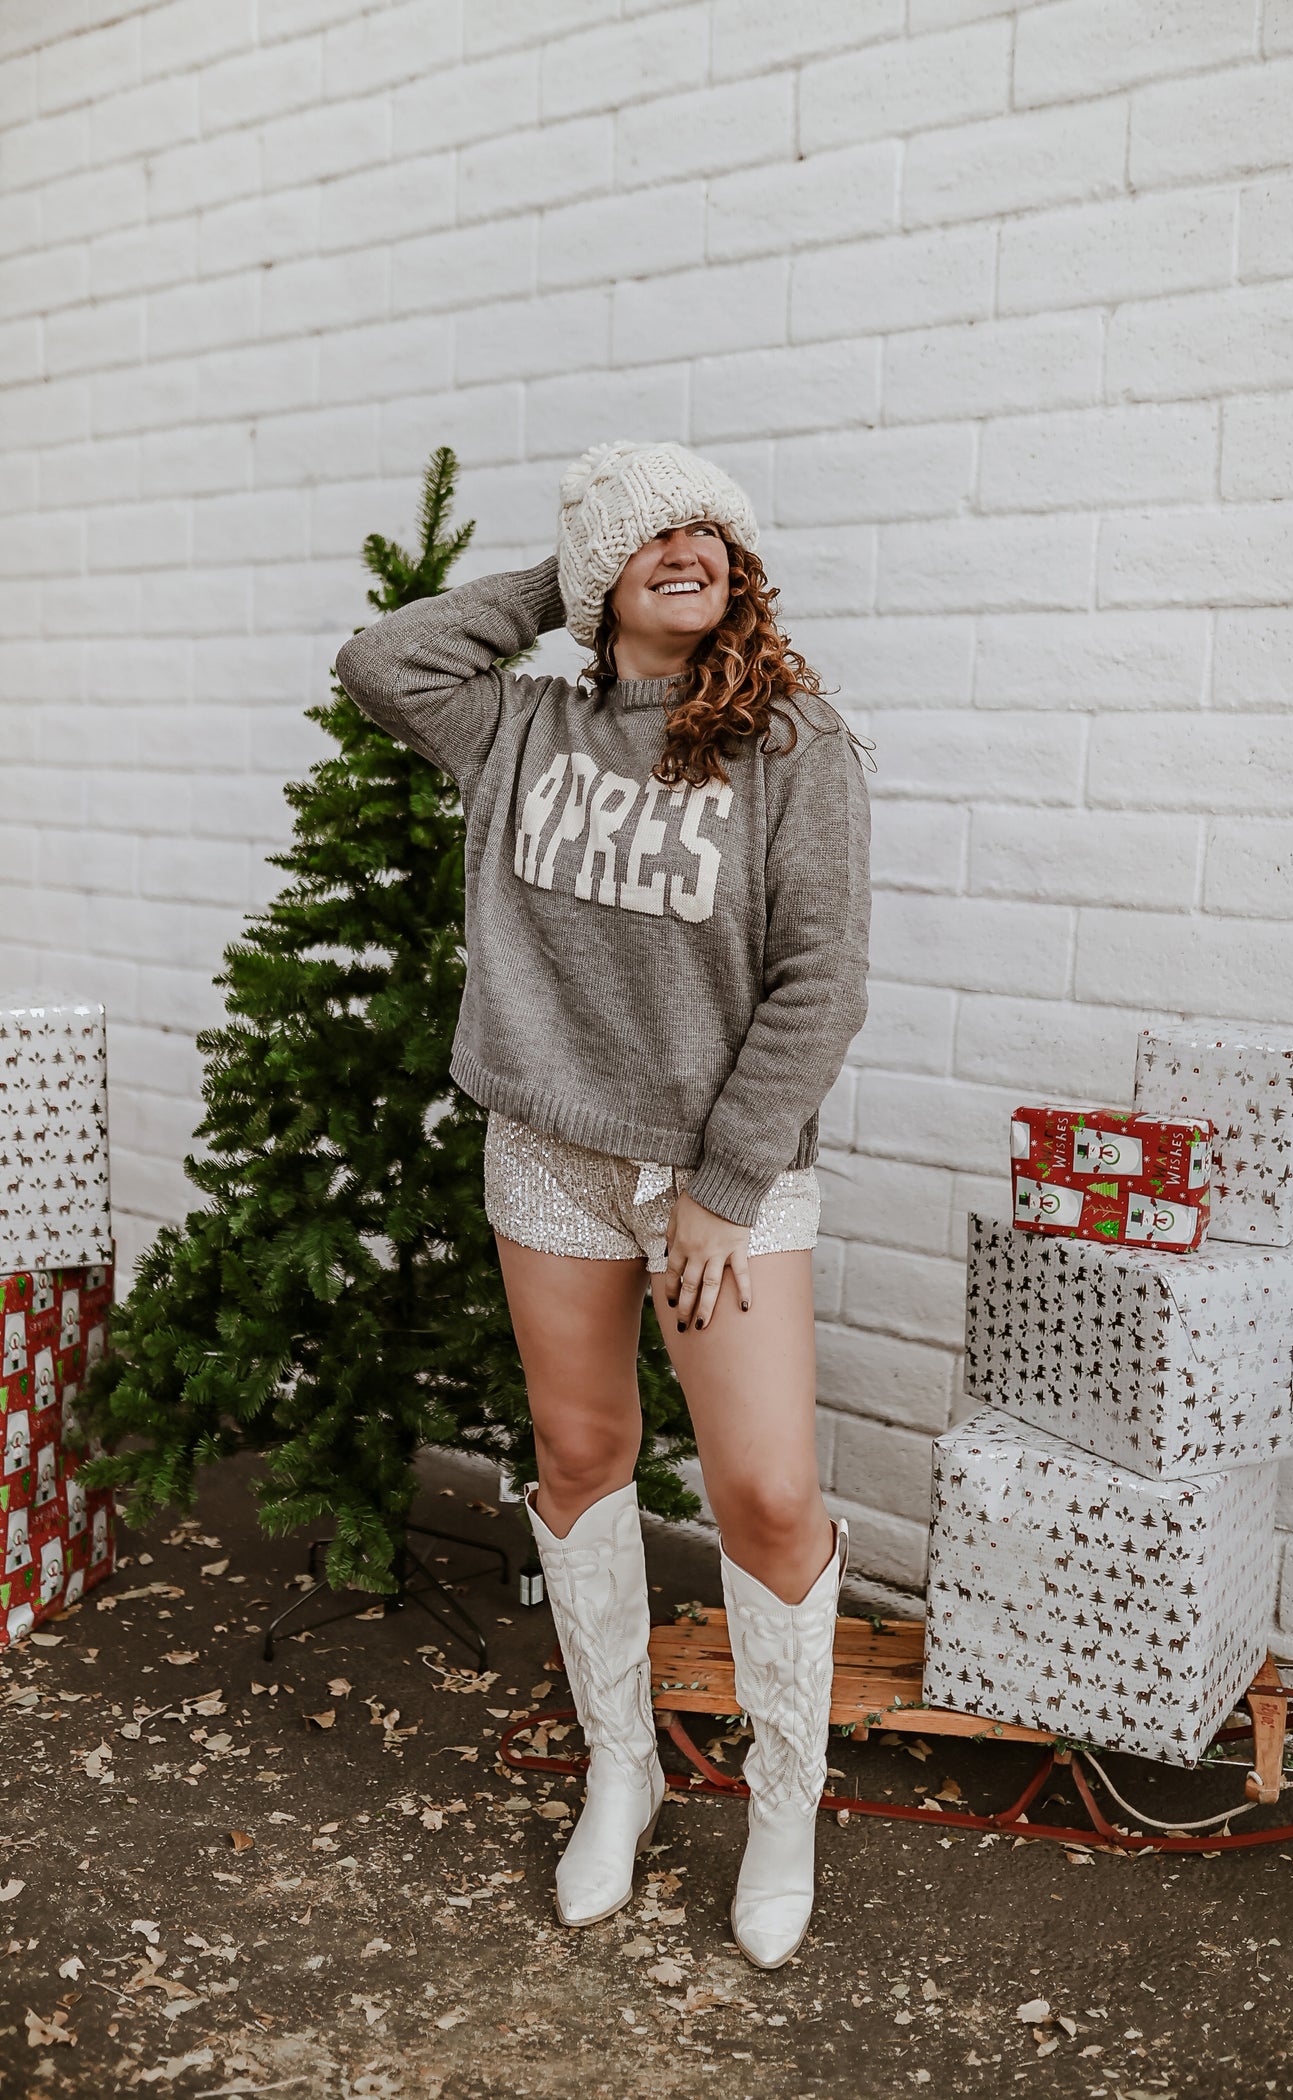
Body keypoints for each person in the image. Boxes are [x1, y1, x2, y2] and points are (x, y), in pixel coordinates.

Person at [334, 439, 871, 1971]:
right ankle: (621, 1764)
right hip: (551, 1148)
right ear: (596, 578)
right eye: (649, 536)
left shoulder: (792, 746)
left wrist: (721, 1184)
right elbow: (381, 660)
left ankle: (783, 1801)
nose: (682, 546)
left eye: (707, 529)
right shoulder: (521, 726)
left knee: (766, 1493)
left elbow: (820, 983)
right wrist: (576, 576)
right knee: (581, 1452)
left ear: (743, 561)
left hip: (722, 1177)